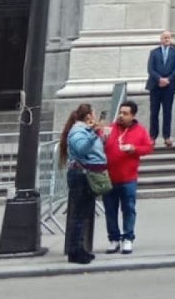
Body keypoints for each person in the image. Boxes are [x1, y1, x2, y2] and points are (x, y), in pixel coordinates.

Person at [102, 100, 154, 255]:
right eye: (120, 112)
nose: (121, 116)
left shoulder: (140, 131)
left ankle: (128, 238)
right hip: (109, 177)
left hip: (128, 177)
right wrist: (101, 138)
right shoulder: (110, 129)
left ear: (133, 115)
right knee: (110, 210)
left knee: (128, 209)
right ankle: (114, 239)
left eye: (125, 113)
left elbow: (148, 147)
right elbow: (99, 144)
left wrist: (134, 149)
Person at [59, 104, 107, 265]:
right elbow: (81, 149)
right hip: (81, 175)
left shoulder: (84, 131)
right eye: (93, 113)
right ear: (88, 116)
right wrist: (93, 134)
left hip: (89, 173)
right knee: (78, 215)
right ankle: (75, 251)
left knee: (83, 214)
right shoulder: (78, 131)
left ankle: (80, 248)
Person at [145, 30, 175, 148]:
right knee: (154, 112)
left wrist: (168, 79)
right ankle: (153, 136)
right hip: (155, 86)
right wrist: (159, 79)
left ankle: (167, 136)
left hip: (169, 87)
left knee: (167, 112)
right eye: (164, 38)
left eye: (168, 38)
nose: (167, 40)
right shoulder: (154, 52)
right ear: (161, 39)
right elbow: (150, 69)